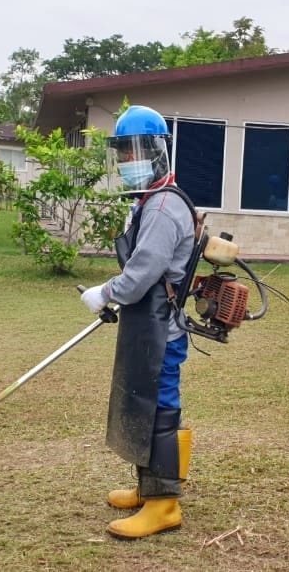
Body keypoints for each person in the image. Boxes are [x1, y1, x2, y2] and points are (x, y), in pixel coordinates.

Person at [79, 105, 198, 539]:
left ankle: (164, 505)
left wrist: (106, 292)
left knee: (160, 408)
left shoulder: (165, 206)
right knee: (142, 404)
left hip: (160, 328)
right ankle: (148, 491)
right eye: (123, 153)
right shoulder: (150, 200)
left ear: (158, 150)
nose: (129, 161)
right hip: (146, 323)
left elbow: (145, 270)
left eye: (136, 152)